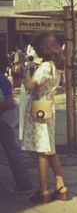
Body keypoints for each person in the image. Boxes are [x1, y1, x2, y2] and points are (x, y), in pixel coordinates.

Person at [22, 33, 69, 204]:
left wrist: (27, 69)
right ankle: (61, 186)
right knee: (50, 149)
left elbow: (29, 86)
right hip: (49, 108)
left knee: (41, 151)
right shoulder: (54, 66)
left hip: (39, 110)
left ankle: (43, 191)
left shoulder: (44, 67)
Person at [0, 55, 33, 195]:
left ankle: (24, 182)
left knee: (11, 151)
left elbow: (9, 102)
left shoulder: (2, 79)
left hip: (3, 120)